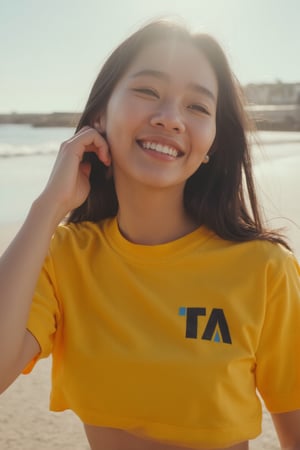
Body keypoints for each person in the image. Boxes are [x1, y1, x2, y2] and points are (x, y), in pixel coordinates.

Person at [0, 19, 299, 450]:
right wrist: (48, 207)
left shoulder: (265, 270)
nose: (170, 118)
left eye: (197, 107)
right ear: (100, 114)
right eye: (147, 92)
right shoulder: (65, 258)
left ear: (213, 140)